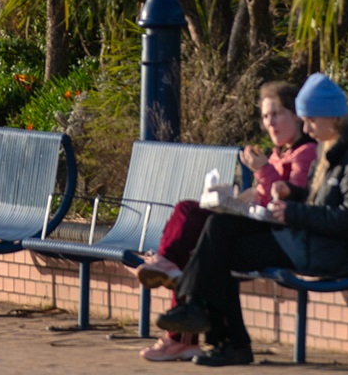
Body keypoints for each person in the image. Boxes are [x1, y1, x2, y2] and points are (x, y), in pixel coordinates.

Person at [157, 74, 348, 368]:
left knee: (220, 240)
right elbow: (319, 201)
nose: (306, 129)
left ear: (331, 116)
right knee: (219, 231)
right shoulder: (331, 147)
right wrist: (293, 193)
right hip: (310, 239)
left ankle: (212, 324)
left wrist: (294, 212)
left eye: (310, 121)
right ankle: (210, 323)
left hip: (333, 251)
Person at [127, 81, 318, 359]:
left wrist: (263, 172)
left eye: (277, 114)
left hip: (279, 234)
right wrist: (238, 199)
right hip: (257, 225)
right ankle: (169, 277)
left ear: (296, 115)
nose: (270, 123)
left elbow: (289, 199)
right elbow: (266, 195)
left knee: (199, 233)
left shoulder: (306, 152)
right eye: (265, 116)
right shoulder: (280, 153)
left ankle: (181, 327)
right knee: (187, 212)